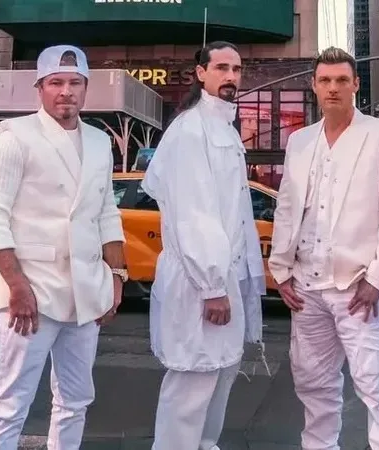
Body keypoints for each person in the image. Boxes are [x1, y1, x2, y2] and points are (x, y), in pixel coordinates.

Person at [0, 44, 127, 450]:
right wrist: (16, 286)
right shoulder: (13, 137)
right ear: (39, 87)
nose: (66, 91)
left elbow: (106, 211)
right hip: (31, 291)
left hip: (86, 291)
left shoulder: (99, 141)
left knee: (76, 400)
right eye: (56, 82)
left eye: (75, 82)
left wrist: (117, 275)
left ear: (86, 87)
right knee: (10, 403)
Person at [267, 47, 379, 450]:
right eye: (325, 80)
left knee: (378, 390)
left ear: (355, 85)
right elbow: (287, 207)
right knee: (314, 387)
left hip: (359, 286)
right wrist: (281, 270)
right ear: (313, 85)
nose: (333, 88)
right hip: (306, 288)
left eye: (342, 80)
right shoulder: (300, 141)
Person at [141, 41, 266, 450]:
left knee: (220, 374)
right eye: (221, 68)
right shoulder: (191, 130)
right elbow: (193, 213)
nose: (231, 77)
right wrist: (212, 285)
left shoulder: (223, 127)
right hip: (201, 281)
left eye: (237, 69)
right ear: (200, 73)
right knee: (193, 382)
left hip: (223, 276)